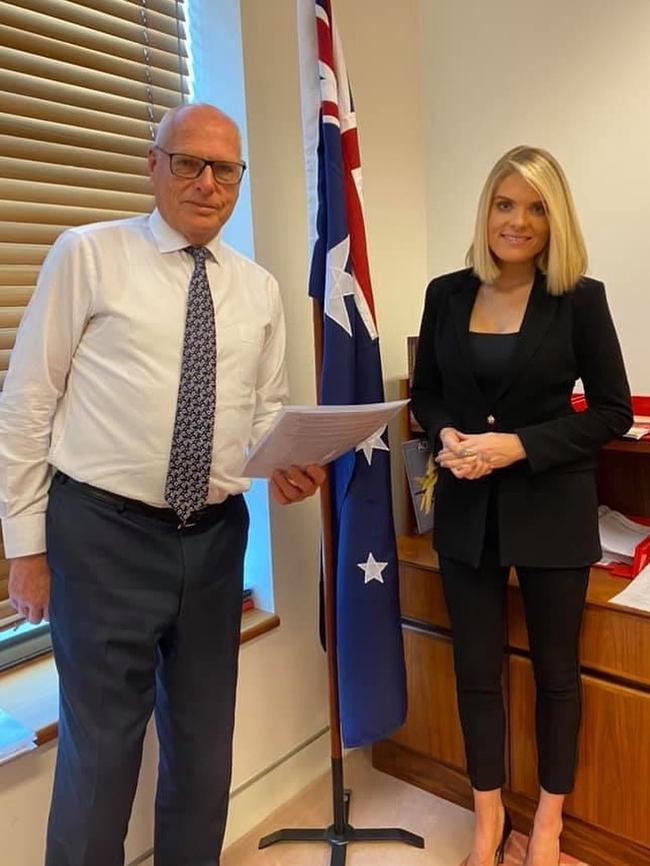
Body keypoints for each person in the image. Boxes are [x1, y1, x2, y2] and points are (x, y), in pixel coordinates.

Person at [0, 102, 325, 866]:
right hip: (103, 538)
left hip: (215, 543)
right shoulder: (87, 254)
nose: (208, 183)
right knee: (102, 761)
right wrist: (24, 546)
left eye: (226, 169)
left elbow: (262, 412)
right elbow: (26, 403)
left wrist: (287, 459)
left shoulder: (259, 289)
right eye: (190, 162)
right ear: (154, 164)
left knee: (205, 753)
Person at [411, 145, 632, 866]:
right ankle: (487, 821)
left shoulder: (580, 299)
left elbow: (609, 413)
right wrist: (445, 431)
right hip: (468, 513)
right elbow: (429, 393)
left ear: (555, 218)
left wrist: (517, 447)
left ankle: (548, 827)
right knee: (475, 671)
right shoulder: (446, 292)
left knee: (556, 675)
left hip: (551, 508)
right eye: (506, 204)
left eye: (536, 207)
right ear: (487, 211)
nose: (519, 220)